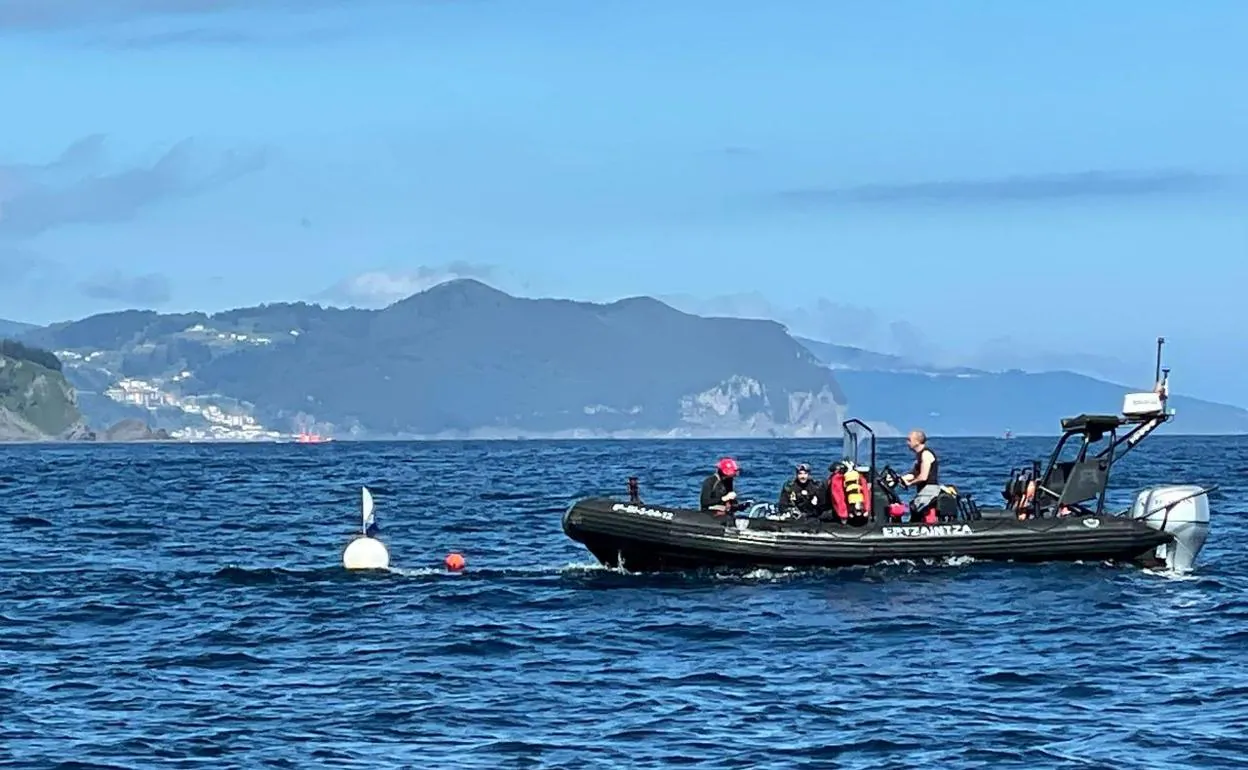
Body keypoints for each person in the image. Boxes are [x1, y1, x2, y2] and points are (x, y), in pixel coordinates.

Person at [899, 429, 940, 516]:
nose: (907, 443)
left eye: (909, 440)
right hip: (924, 490)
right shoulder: (919, 456)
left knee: (914, 507)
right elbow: (914, 474)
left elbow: (923, 477)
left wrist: (909, 484)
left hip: (930, 490)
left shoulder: (926, 454)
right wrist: (899, 479)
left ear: (917, 442)